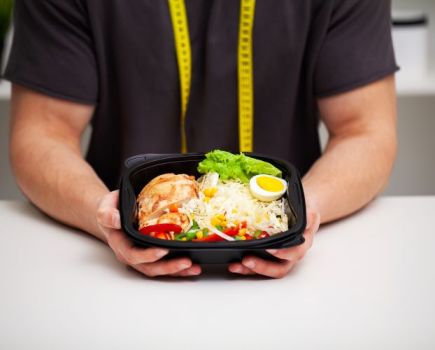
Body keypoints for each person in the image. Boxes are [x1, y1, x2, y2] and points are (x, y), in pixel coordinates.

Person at [4, 0, 398, 278]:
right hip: (115, 271)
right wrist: (106, 214)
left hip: (293, 275)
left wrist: (304, 211)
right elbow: (42, 133)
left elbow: (365, 130)